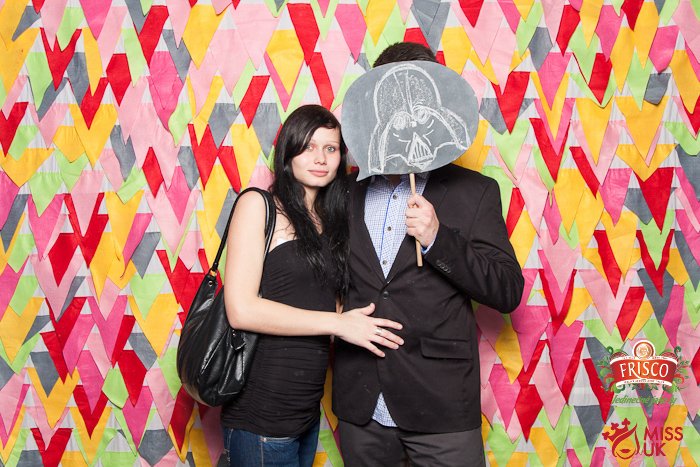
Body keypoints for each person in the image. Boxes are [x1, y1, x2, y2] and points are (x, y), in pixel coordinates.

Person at [332, 43, 525, 466]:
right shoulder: (344, 192)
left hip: (440, 406)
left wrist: (439, 239)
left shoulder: (475, 192)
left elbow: (508, 290)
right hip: (362, 404)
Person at [221, 104, 404, 467]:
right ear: (288, 154)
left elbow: (322, 301)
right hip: (262, 414)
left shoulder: (330, 220)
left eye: (330, 148)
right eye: (308, 147)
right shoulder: (258, 205)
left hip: (305, 412)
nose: (320, 158)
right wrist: (338, 323)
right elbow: (241, 310)